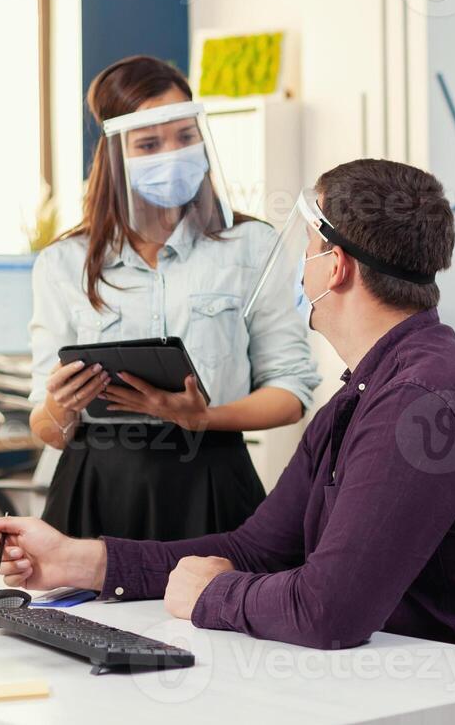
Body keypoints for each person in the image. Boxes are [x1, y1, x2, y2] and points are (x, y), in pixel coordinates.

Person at [0, 159, 455, 672]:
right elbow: (257, 548)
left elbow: (328, 611)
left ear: (337, 267)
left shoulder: (426, 400)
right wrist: (73, 558)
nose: (300, 269)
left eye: (307, 250)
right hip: (425, 672)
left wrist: (213, 594)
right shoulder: (369, 390)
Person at [27, 56, 320, 542]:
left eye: (185, 136)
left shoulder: (252, 246)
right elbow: (49, 429)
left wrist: (203, 416)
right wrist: (62, 404)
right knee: (79, 618)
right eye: (149, 143)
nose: (173, 153)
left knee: (213, 613)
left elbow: (291, 394)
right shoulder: (64, 263)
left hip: (211, 482)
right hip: (95, 488)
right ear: (115, 153)